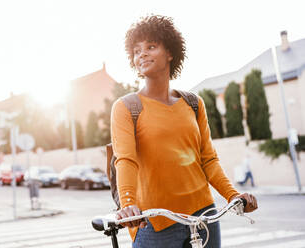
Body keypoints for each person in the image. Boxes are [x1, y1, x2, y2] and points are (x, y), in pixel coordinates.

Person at [110, 15, 258, 248]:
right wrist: (128, 203)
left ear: (170, 53)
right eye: (137, 51)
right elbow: (125, 160)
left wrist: (233, 196)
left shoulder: (193, 103)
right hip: (155, 221)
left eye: (151, 46)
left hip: (203, 217)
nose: (142, 54)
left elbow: (208, 159)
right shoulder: (127, 107)